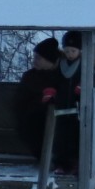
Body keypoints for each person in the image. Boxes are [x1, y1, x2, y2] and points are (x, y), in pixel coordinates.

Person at [16, 38, 78, 172]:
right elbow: (21, 102)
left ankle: (63, 162)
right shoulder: (30, 77)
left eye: (38, 58)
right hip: (35, 120)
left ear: (49, 60)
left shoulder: (64, 76)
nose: (34, 61)